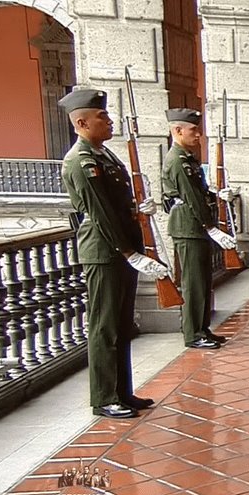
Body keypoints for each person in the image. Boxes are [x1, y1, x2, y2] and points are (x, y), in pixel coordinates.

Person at [59, 89, 166, 419]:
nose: (109, 121)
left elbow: (118, 204)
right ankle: (104, 397)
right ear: (81, 122)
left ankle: (122, 391)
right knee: (104, 326)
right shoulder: (81, 161)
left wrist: (138, 208)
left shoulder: (104, 155)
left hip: (120, 247)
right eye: (102, 117)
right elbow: (101, 212)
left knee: (121, 323)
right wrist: (129, 251)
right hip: (105, 251)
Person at [161, 108, 237, 350]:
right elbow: (192, 197)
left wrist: (216, 194)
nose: (198, 135)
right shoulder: (177, 160)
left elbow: (201, 191)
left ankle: (203, 329)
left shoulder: (188, 158)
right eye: (193, 130)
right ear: (177, 130)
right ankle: (193, 334)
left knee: (203, 281)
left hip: (196, 227)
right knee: (193, 283)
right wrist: (211, 227)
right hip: (188, 227)